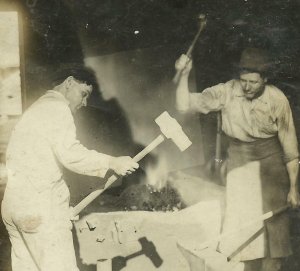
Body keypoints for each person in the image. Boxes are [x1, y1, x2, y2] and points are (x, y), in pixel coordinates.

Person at [174, 48, 300, 271]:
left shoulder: (277, 99)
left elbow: (290, 151)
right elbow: (184, 105)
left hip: (271, 164)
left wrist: (293, 188)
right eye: (243, 80)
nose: (247, 86)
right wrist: (184, 75)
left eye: (253, 81)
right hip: (239, 163)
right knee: (240, 229)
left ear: (265, 80)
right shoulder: (226, 92)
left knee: (274, 232)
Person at [1, 70, 139, 271]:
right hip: (39, 209)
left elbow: (36, 163)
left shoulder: (36, 109)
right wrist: (112, 162)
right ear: (69, 82)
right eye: (84, 94)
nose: (84, 103)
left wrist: (60, 205)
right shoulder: (57, 108)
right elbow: (70, 154)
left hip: (14, 206)